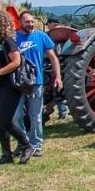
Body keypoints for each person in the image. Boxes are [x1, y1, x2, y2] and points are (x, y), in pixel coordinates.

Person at [0, 11, 34, 165]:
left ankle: (26, 145)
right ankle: (6, 154)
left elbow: (16, 62)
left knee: (6, 120)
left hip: (10, 86)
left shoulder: (8, 42)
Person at [15, 10, 60, 157]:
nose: (30, 24)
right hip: (19, 82)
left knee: (35, 115)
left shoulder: (41, 36)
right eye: (27, 22)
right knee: (17, 115)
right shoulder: (14, 37)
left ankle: (36, 144)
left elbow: (53, 58)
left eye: (32, 21)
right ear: (20, 22)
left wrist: (58, 77)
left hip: (36, 81)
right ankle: (23, 143)